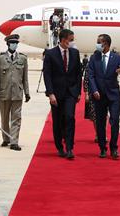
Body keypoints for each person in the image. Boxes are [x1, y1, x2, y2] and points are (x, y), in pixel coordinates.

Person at [88, 34, 120, 159]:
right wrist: (94, 90)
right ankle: (102, 148)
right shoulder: (94, 58)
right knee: (100, 123)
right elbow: (90, 76)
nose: (97, 44)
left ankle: (114, 148)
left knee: (115, 121)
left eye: (99, 42)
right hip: (99, 96)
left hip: (114, 95)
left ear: (106, 44)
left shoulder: (116, 57)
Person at [43, 29, 82, 159]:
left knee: (70, 117)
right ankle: (59, 146)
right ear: (63, 40)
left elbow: (78, 73)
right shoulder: (50, 54)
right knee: (58, 121)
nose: (72, 42)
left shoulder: (75, 53)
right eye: (70, 40)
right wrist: (50, 93)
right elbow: (47, 75)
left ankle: (70, 148)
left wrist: (77, 92)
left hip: (70, 93)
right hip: (56, 93)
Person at [0, 34, 30, 151]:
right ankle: (6, 138)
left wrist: (27, 92)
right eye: (12, 43)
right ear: (7, 44)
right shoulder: (0, 58)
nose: (14, 45)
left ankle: (14, 142)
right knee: (4, 118)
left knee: (16, 118)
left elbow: (25, 78)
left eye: (16, 43)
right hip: (4, 93)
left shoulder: (22, 58)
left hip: (17, 93)